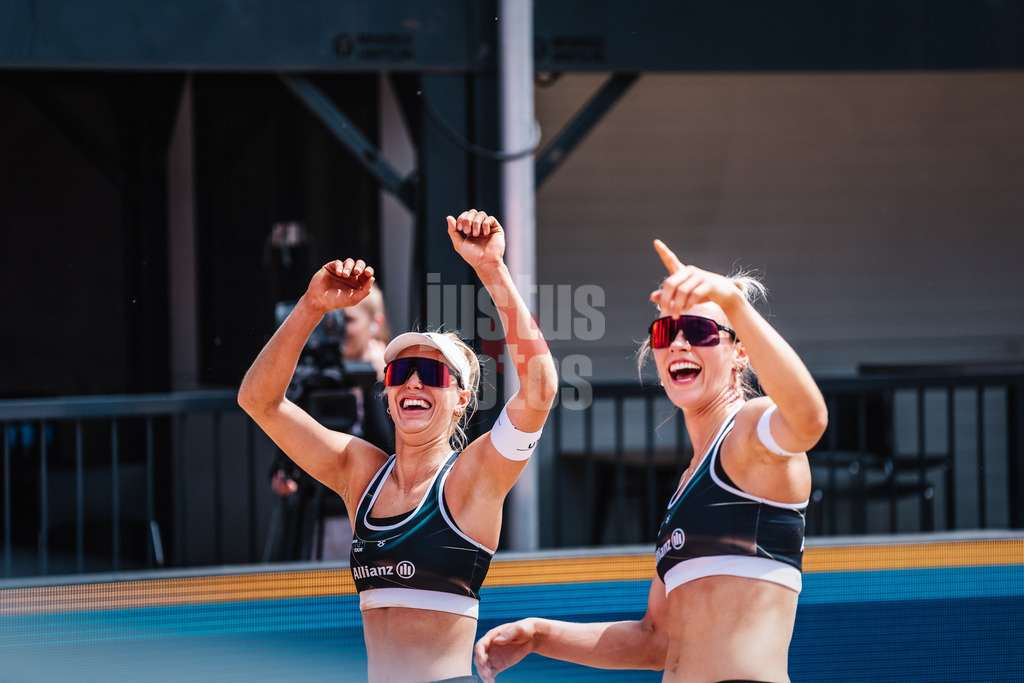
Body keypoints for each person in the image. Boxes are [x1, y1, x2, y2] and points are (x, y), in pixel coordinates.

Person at [473, 239, 828, 683]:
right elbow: (655, 639)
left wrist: (733, 303)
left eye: (698, 331)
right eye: (665, 334)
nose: (679, 344)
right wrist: (540, 636)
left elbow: (810, 420)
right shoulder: (687, 483)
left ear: (740, 352)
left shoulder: (751, 432)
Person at [238, 209, 558, 682]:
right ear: (386, 395)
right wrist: (310, 306)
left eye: (430, 374)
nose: (412, 383)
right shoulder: (361, 472)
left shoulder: (469, 479)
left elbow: (540, 391)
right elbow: (258, 400)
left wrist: (492, 270)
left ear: (460, 399)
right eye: (398, 374)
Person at [268, 283, 395, 561]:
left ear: (375, 324)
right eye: (332, 320)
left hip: (370, 516)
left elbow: (391, 452)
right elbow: (292, 437)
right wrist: (280, 473)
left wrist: (375, 383)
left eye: (347, 320)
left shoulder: (394, 376)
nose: (337, 329)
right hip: (318, 518)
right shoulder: (317, 373)